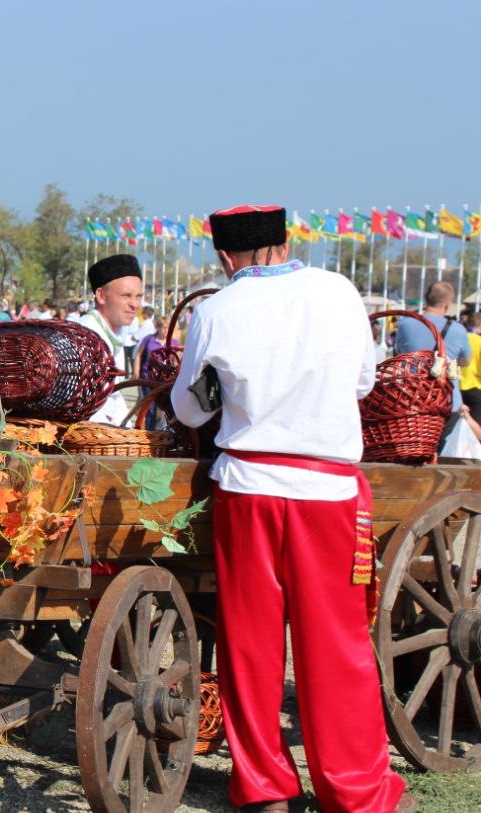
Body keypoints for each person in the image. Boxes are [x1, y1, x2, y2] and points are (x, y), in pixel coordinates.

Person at [172, 206, 411, 813]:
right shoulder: (336, 290)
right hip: (326, 490)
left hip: (248, 487)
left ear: (226, 258)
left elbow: (189, 410)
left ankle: (263, 788)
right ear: (284, 242)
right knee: (336, 645)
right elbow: (362, 382)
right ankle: (354, 790)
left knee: (250, 647)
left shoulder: (215, 310)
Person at [80, 253, 143, 425]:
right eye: (126, 295)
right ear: (101, 296)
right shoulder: (85, 337)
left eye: (138, 296)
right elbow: (85, 408)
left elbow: (113, 397)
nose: (134, 304)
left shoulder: (113, 333)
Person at [395, 281, 470, 414]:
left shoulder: (405, 324)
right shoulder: (458, 330)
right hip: (448, 400)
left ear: (426, 297)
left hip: (412, 399)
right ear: (448, 305)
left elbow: (399, 355)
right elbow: (465, 361)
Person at [456, 310, 481, 419]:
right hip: (475, 386)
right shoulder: (479, 341)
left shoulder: (459, 339)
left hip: (457, 387)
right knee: (476, 426)